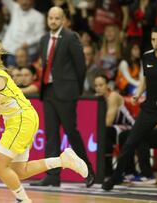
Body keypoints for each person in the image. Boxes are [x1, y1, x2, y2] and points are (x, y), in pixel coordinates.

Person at [0, 36, 88, 203]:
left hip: (22, 118)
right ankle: (63, 160)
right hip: (17, 119)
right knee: (20, 171)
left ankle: (23, 200)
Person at [102, 26, 157, 191]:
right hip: (149, 109)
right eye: (153, 39)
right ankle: (114, 178)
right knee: (129, 143)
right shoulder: (147, 57)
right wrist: (138, 93)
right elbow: (145, 79)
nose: (156, 43)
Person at [30, 6, 95, 187]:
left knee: (71, 132)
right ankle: (52, 175)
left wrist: (76, 89)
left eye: (57, 18)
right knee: (51, 135)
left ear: (64, 19)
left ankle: (89, 171)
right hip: (49, 91)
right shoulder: (44, 39)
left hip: (67, 92)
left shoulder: (70, 37)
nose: (53, 21)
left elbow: (80, 66)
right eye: (50, 18)